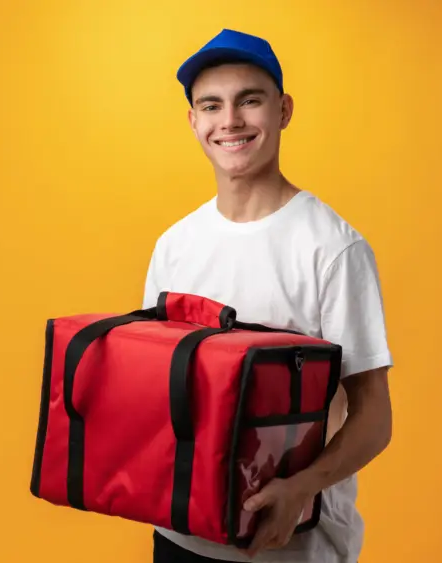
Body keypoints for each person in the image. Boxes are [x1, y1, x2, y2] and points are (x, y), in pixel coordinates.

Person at [142, 28, 394, 563]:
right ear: (194, 121)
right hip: (177, 535)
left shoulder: (333, 249)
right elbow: (161, 392)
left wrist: (301, 488)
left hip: (289, 545)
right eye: (211, 105)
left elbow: (374, 418)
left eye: (249, 100)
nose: (229, 120)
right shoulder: (174, 246)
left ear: (283, 110)